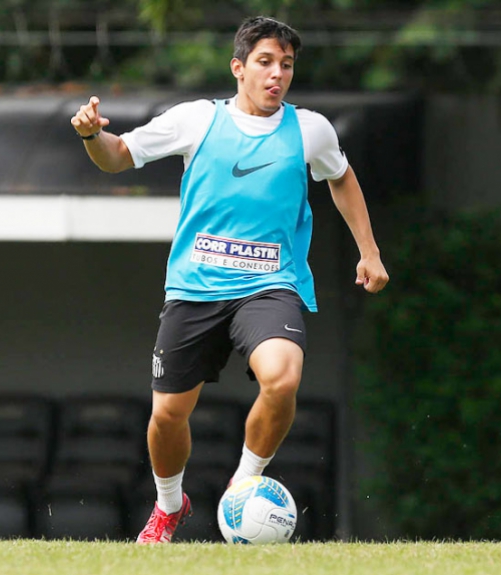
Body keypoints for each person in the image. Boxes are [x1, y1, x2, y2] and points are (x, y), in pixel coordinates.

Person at [70, 15, 389, 544]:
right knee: (168, 415)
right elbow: (117, 156)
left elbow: (341, 178)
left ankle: (244, 486)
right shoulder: (197, 120)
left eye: (286, 65)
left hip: (270, 285)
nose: (276, 75)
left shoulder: (310, 130)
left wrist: (369, 251)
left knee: (283, 378)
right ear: (238, 68)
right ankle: (170, 506)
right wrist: (90, 136)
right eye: (265, 62)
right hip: (195, 289)